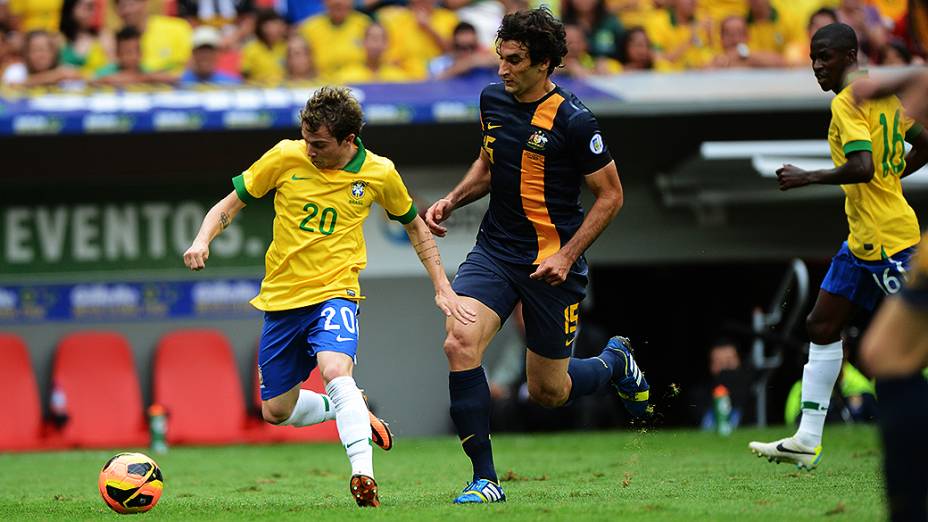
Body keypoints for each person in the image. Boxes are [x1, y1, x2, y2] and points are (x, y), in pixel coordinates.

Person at [184, 86, 475, 507]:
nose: (310, 149)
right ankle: (350, 407)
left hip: (336, 292)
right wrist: (202, 239)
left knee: (336, 370)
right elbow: (227, 205)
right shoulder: (285, 156)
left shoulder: (379, 173)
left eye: (319, 144)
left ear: (348, 140)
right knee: (275, 411)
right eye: (306, 139)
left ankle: (363, 475)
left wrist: (442, 286)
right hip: (282, 301)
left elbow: (414, 225)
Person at [424, 8, 650, 504]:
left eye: (515, 61)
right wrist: (452, 199)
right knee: (459, 343)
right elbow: (488, 162)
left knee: (549, 391)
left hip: (551, 264)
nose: (502, 70)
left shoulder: (574, 119)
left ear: (544, 63)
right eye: (500, 58)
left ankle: (615, 361)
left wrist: (567, 257)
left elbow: (611, 196)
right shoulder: (491, 99)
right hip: (495, 252)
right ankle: (485, 479)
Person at [748, 22, 928, 470]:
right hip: (862, 241)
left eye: (824, 57)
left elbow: (863, 167)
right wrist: (894, 177)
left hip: (888, 242)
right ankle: (807, 439)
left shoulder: (848, 103)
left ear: (850, 56)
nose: (816, 67)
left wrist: (807, 176)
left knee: (909, 342)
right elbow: (923, 143)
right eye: (812, 57)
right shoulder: (880, 94)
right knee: (821, 325)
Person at [854, 70, 928, 522]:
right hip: (890, 238)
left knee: (887, 354)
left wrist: (889, 88)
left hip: (894, 238)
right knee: (883, 353)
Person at [58, 0, 113, 78]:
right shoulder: (59, 38)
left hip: (98, 87)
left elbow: (112, 67)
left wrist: (83, 75)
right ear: (71, 8)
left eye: (91, 8)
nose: (90, 12)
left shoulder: (103, 36)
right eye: (85, 7)